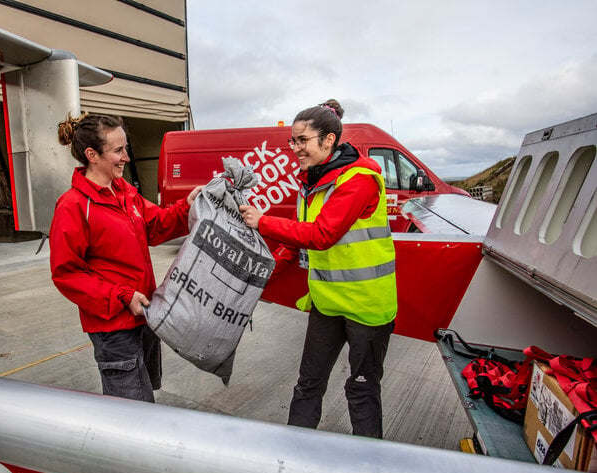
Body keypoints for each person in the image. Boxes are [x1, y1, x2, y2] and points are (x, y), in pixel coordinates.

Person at [239, 99, 397, 438]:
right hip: (327, 304)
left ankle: (368, 465)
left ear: (328, 140)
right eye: (292, 141)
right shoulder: (312, 183)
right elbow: (297, 242)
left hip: (366, 309)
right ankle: (295, 454)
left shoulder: (359, 179)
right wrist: (261, 279)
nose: (295, 148)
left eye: (302, 140)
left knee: (362, 390)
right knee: (308, 383)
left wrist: (262, 222)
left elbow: (322, 235)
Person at [49, 112, 201, 403]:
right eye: (118, 151)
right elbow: (67, 273)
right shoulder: (73, 206)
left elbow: (154, 227)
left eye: (125, 148)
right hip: (113, 327)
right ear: (92, 155)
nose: (126, 158)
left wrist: (187, 206)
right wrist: (121, 296)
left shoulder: (125, 193)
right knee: (131, 409)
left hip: (142, 315)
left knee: (142, 396)